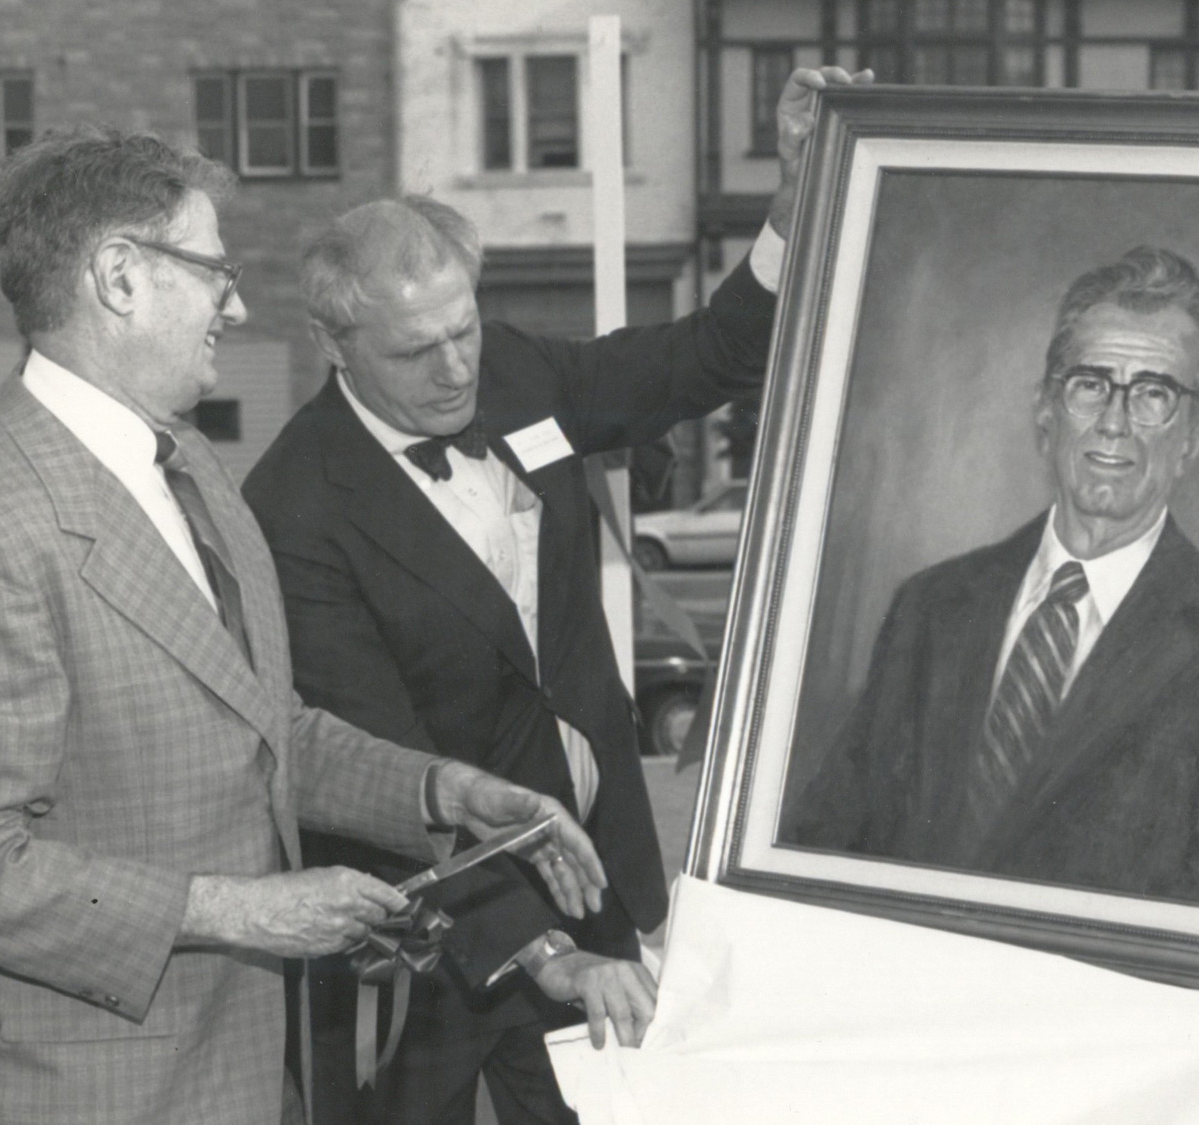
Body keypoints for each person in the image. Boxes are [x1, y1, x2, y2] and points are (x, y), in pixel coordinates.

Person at [0, 127, 610, 1125]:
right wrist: (235, 909)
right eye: (214, 269)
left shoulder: (187, 463)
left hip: (240, 1068)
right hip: (78, 1095)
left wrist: (447, 794)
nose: (238, 302)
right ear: (119, 279)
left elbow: (269, 729)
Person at [240, 65, 865, 1125]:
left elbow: (700, 358)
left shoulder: (520, 373)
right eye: (417, 350)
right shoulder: (297, 505)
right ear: (336, 347)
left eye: (464, 329)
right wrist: (544, 951)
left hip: (598, 885)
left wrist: (791, 204)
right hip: (426, 938)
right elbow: (382, 765)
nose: (454, 370)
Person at [785, 246, 1199, 914]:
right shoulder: (929, 608)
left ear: (1196, 434)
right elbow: (830, 843)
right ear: (1046, 407)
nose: (1113, 421)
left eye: (1154, 394)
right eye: (1089, 384)